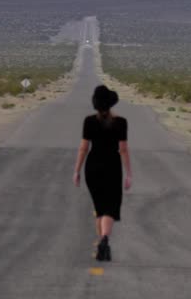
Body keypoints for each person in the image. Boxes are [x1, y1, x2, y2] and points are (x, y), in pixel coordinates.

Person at [73, 84, 131, 261]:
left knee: (100, 207)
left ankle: (102, 244)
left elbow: (83, 148)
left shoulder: (89, 121)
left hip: (93, 167)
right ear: (111, 104)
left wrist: (77, 170)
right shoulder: (121, 123)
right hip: (112, 167)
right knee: (110, 208)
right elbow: (123, 149)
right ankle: (105, 239)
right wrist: (129, 173)